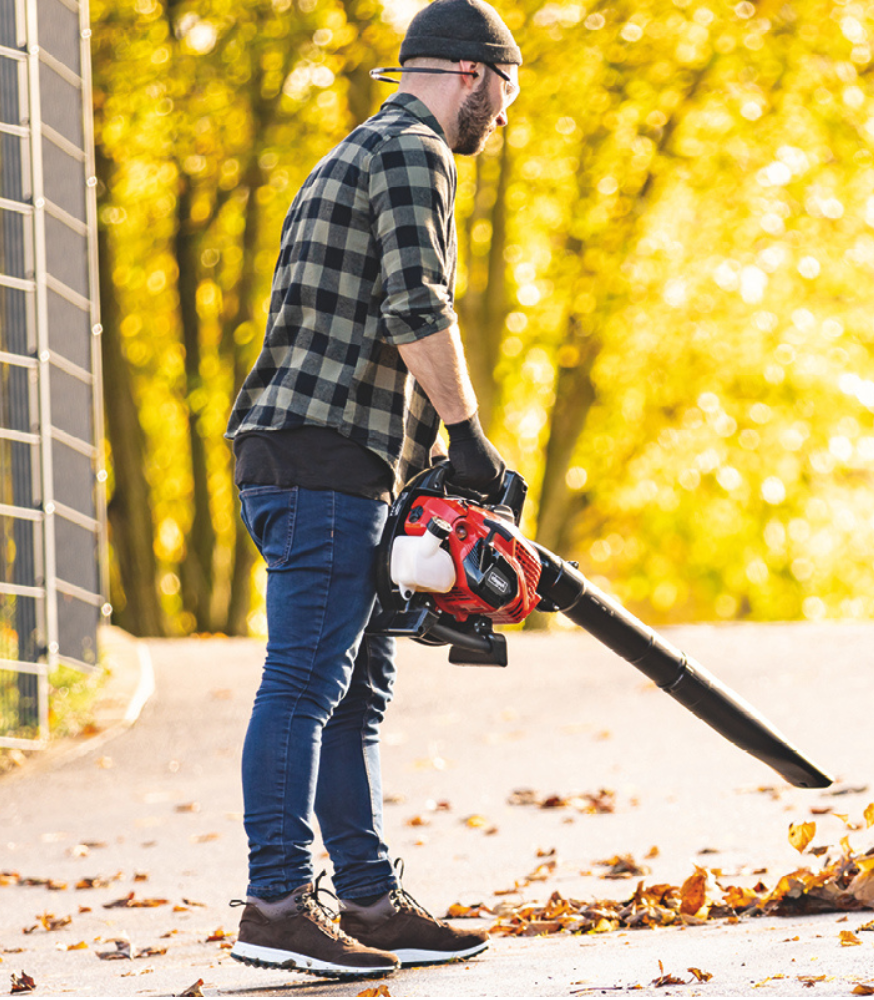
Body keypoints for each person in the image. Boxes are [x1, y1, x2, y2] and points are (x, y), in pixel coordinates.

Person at [222, 0, 522, 980]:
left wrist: (421, 460)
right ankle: (274, 904)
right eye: (506, 97)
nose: (502, 122)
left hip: (332, 453)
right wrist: (471, 439)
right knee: (308, 679)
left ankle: (368, 900)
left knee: (352, 691)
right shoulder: (412, 149)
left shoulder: (351, 148)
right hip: (320, 457)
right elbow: (415, 302)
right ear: (472, 74)